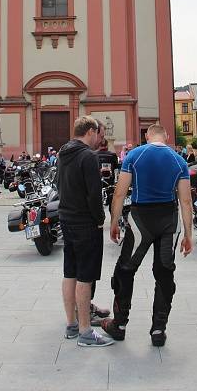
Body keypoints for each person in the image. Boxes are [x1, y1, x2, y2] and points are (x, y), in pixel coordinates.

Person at [101, 123, 193, 348]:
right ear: (167, 135)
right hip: (168, 220)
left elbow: (120, 192)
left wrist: (113, 222)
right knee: (164, 273)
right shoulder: (179, 160)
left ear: (147, 136)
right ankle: (158, 329)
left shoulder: (135, 155)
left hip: (140, 219)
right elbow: (186, 200)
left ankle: (119, 325)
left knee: (125, 270)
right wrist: (188, 234)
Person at [56, 115, 114, 348]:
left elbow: (59, 183)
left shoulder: (63, 153)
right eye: (97, 134)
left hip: (66, 218)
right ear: (90, 131)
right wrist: (100, 220)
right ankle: (85, 332)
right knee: (85, 277)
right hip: (84, 222)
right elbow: (93, 194)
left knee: (70, 273)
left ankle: (71, 325)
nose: (99, 139)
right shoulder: (88, 156)